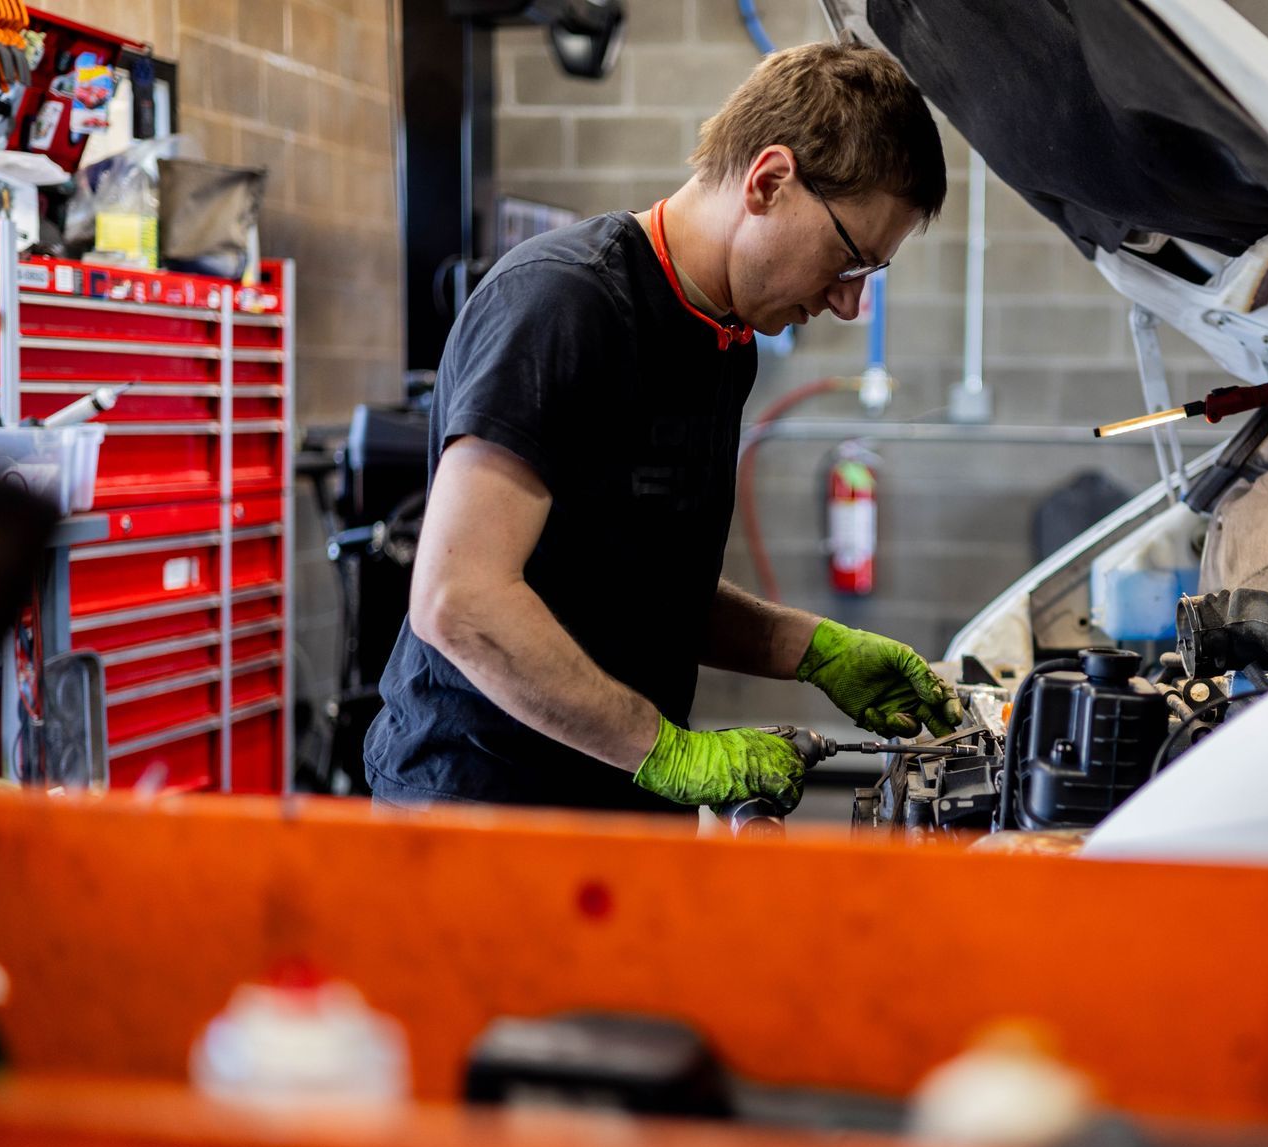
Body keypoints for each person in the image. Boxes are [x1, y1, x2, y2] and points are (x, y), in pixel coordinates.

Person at [363, 40, 961, 815]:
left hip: (609, 797)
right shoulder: (562, 306)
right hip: (485, 811)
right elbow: (460, 598)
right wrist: (667, 751)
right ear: (769, 181)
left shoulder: (724, 341)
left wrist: (810, 648)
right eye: (850, 263)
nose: (849, 305)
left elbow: (638, 586)